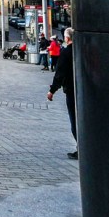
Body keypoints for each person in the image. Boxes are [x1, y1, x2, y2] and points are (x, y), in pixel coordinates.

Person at [47, 28, 77, 159]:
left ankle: (81, 148)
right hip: (84, 90)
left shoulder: (65, 53)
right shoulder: (81, 50)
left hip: (71, 89)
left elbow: (59, 73)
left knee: (74, 120)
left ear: (67, 38)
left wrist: (52, 90)